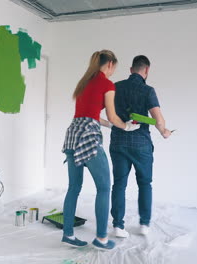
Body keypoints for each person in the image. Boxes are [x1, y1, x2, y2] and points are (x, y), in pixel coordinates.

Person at [61, 50, 140, 250]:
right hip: (88, 137)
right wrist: (126, 126)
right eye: (115, 67)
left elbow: (90, 115)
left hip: (72, 135)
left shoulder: (84, 82)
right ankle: (101, 239)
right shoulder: (106, 84)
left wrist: (112, 125)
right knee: (104, 188)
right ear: (110, 64)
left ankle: (68, 234)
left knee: (73, 188)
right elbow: (112, 116)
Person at [109, 55, 171, 238]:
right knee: (145, 183)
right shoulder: (148, 90)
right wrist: (165, 132)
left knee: (119, 184)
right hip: (141, 144)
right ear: (146, 71)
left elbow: (107, 112)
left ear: (131, 69)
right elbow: (159, 120)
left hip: (119, 142)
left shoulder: (115, 87)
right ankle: (144, 224)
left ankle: (118, 226)